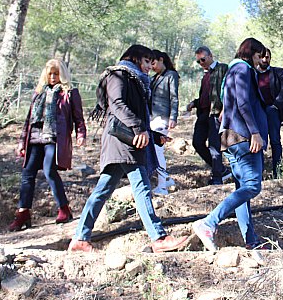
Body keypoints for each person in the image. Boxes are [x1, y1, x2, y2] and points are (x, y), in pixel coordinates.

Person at [69, 45, 187, 253]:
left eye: (152, 62)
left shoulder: (136, 80)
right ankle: (158, 237)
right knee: (141, 188)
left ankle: (80, 238)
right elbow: (117, 104)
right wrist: (139, 128)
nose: (150, 66)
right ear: (136, 59)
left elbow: (133, 113)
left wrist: (154, 136)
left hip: (127, 142)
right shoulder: (118, 75)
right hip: (123, 143)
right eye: (147, 61)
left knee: (102, 191)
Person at [193, 38, 268, 251]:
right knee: (252, 186)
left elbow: (227, 107)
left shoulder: (230, 72)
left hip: (229, 137)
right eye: (258, 55)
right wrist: (255, 132)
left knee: (241, 189)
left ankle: (251, 240)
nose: (260, 60)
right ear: (251, 53)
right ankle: (209, 223)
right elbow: (243, 103)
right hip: (243, 137)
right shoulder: (243, 70)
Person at [9, 59, 87, 231]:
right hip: (35, 137)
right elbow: (28, 120)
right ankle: (23, 213)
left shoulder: (69, 92)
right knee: (27, 173)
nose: (53, 77)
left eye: (56, 73)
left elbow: (78, 117)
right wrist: (22, 142)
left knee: (49, 171)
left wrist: (81, 134)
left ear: (62, 75)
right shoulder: (38, 92)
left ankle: (64, 209)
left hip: (54, 138)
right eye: (50, 73)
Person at [186, 46, 231, 185]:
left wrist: (225, 109)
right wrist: (194, 103)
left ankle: (217, 177)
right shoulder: (205, 75)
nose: (201, 63)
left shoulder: (223, 68)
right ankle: (221, 170)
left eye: (203, 59)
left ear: (210, 56)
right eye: (198, 61)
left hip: (216, 113)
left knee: (214, 146)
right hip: (204, 113)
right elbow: (205, 97)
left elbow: (229, 90)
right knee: (197, 143)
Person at [256, 48, 283, 178]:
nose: (265, 59)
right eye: (262, 57)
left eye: (267, 57)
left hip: (273, 110)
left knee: (275, 140)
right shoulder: (253, 73)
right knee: (260, 142)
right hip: (258, 112)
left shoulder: (278, 72)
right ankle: (259, 173)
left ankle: (278, 172)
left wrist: (276, 105)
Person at [150, 50, 179, 195]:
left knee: (157, 150)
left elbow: (174, 97)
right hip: (152, 118)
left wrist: (173, 117)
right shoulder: (155, 77)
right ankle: (165, 179)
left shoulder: (171, 75)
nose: (152, 66)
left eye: (153, 63)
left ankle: (162, 186)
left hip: (163, 117)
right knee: (154, 150)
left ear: (161, 60)